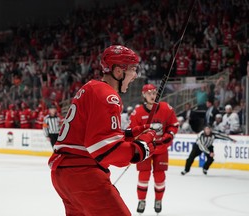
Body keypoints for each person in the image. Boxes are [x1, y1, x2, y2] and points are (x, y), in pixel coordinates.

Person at [48, 45, 158, 216]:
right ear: (119, 71)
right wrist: (142, 148)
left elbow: (92, 135)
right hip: (84, 174)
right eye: (133, 69)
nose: (135, 75)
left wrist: (130, 134)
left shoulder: (91, 87)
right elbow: (104, 150)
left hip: (64, 174)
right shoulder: (108, 95)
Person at [129, 84, 179, 214]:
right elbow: (133, 130)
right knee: (143, 175)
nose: (152, 95)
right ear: (143, 95)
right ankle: (141, 200)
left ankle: (158, 200)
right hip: (145, 149)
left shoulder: (166, 108)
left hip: (161, 148)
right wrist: (138, 141)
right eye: (149, 93)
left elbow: (173, 125)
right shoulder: (138, 112)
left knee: (160, 176)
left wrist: (170, 135)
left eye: (154, 92)